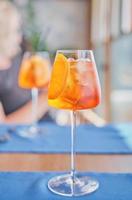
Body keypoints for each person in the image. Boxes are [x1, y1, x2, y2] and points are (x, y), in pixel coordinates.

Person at [0, 0, 49, 124]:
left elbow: (42, 78)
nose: (20, 36)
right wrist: (47, 97)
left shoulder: (20, 52)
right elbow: (3, 126)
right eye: (16, 30)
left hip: (47, 126)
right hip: (19, 137)